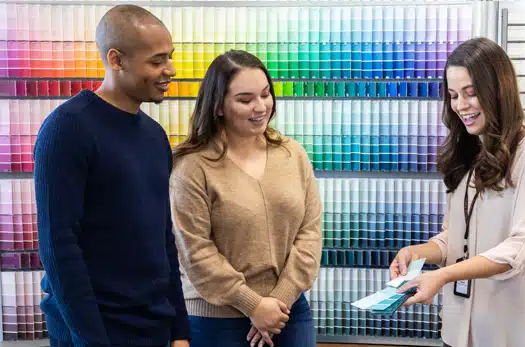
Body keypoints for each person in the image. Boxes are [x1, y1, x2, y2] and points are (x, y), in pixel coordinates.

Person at [390, 37, 525, 347]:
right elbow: (457, 238)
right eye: (453, 95)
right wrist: (418, 253)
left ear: (498, 91)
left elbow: (521, 249)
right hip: (462, 333)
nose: (461, 105)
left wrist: (444, 275)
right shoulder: (466, 154)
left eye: (471, 94)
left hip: (523, 334)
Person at [33, 5, 189, 347]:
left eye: (170, 58)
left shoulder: (155, 136)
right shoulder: (67, 129)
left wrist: (179, 330)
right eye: (157, 61)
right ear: (116, 60)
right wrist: (91, 340)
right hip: (96, 331)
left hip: (154, 326)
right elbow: (59, 247)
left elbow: (163, 240)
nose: (170, 70)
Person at [169, 50, 322, 347]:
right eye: (245, 99)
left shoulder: (292, 154)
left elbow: (310, 233)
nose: (260, 107)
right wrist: (253, 305)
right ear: (219, 106)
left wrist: (277, 301)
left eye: (265, 95)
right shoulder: (191, 167)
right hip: (216, 319)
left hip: (287, 311)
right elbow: (196, 252)